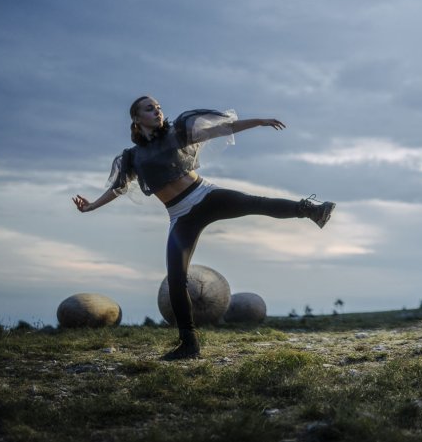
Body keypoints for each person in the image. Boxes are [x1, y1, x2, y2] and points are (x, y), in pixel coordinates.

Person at [73, 96, 335, 360]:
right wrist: (92, 205)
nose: (158, 111)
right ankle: (189, 344)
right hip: (180, 216)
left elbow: (222, 129)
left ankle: (313, 209)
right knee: (176, 280)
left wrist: (259, 122)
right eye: (150, 108)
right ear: (137, 119)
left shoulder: (176, 133)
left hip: (206, 196)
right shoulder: (132, 158)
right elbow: (117, 188)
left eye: (159, 107)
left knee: (257, 203)